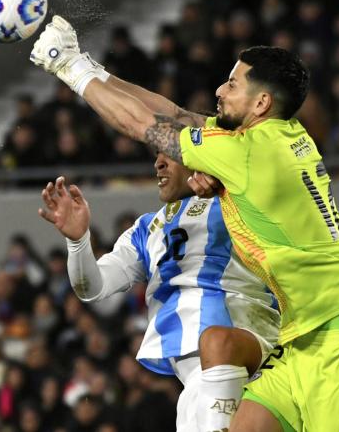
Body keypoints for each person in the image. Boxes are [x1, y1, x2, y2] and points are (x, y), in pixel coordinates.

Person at [30, 16, 339, 431]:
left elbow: (143, 125)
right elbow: (172, 114)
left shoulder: (247, 154)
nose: (219, 91)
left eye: (232, 84)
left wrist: (69, 69)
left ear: (260, 103)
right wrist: (91, 65)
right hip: (303, 342)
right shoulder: (272, 136)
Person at [38, 153, 280, 432]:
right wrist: (78, 242)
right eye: (157, 156)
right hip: (196, 380)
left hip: (245, 348)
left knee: (218, 346)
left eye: (172, 155)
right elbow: (92, 288)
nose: (159, 163)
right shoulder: (145, 229)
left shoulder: (236, 204)